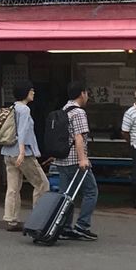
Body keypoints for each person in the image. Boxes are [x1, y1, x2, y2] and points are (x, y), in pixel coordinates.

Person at [1, 81, 50, 232]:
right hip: (23, 154)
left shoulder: (12, 107)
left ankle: (12, 220)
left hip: (8, 152)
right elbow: (22, 131)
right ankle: (38, 219)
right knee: (42, 184)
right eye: (31, 90)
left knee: (13, 187)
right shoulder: (24, 110)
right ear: (25, 92)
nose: (33, 92)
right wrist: (22, 152)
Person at [54, 81, 99, 241]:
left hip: (62, 159)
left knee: (66, 195)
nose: (87, 96)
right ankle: (82, 226)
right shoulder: (78, 112)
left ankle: (64, 227)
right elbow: (78, 137)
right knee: (91, 191)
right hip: (75, 160)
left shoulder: (64, 109)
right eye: (86, 93)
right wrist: (83, 159)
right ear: (82, 93)